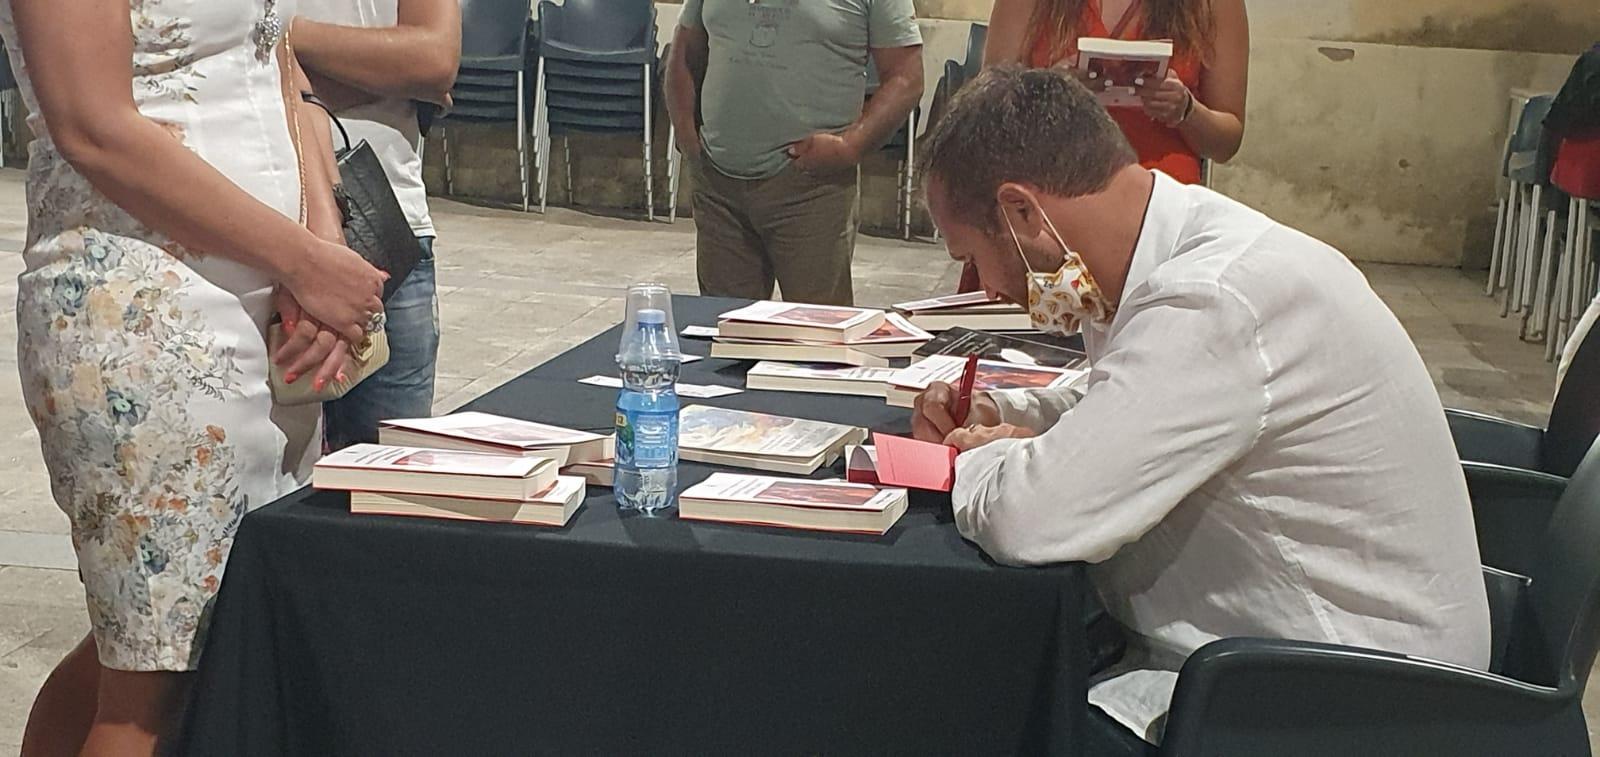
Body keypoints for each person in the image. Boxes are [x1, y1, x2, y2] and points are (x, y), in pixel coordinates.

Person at [914, 66, 1489, 750]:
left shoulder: (1214, 299)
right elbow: (1119, 394)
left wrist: (976, 458)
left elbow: (1029, 520)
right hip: (1306, 661)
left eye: (973, 258)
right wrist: (1006, 410)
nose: (984, 288)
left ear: (1021, 213)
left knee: (971, 703)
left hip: (1347, 702)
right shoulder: (1182, 245)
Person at [6, 0, 386, 754]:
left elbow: (277, 60)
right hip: (144, 312)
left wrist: (321, 242)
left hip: (271, 299)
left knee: (176, 640)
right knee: (155, 679)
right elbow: (93, 126)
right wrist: (302, 262)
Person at [957, 0, 1247, 292]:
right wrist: (1050, 91)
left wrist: (1186, 111)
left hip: (1157, 222)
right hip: (1047, 214)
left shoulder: (1214, 5)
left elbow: (1226, 140)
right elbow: (989, 111)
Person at [665, 0, 925, 307]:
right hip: (717, 186)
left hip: (810, 187)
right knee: (724, 322)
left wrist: (849, 147)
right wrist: (686, 132)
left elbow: (906, 78)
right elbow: (685, 49)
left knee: (816, 325)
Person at [292, 0, 459, 447]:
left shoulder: (280, 34)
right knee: (275, 471)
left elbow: (433, 60)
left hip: (386, 226)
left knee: (390, 466)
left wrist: (285, 39)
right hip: (255, 231)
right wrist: (383, 77)